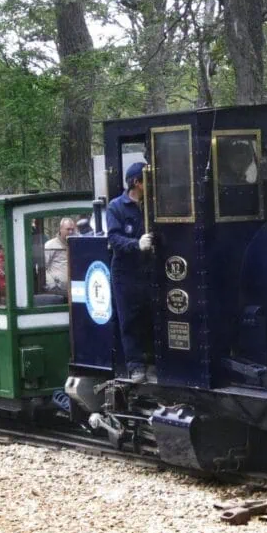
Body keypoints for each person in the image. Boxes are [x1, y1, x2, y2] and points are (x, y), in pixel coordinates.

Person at [107, 162, 154, 382]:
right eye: (147, 180)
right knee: (130, 319)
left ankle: (153, 359)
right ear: (137, 182)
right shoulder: (116, 207)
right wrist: (137, 244)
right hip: (126, 272)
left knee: (150, 313)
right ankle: (135, 366)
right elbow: (114, 239)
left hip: (149, 269)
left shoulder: (152, 204)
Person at [43, 217, 75, 295]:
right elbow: (42, 269)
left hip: (74, 290)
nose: (70, 232)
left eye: (72, 229)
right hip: (57, 292)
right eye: (68, 229)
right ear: (61, 229)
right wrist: (53, 285)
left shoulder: (76, 244)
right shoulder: (50, 245)